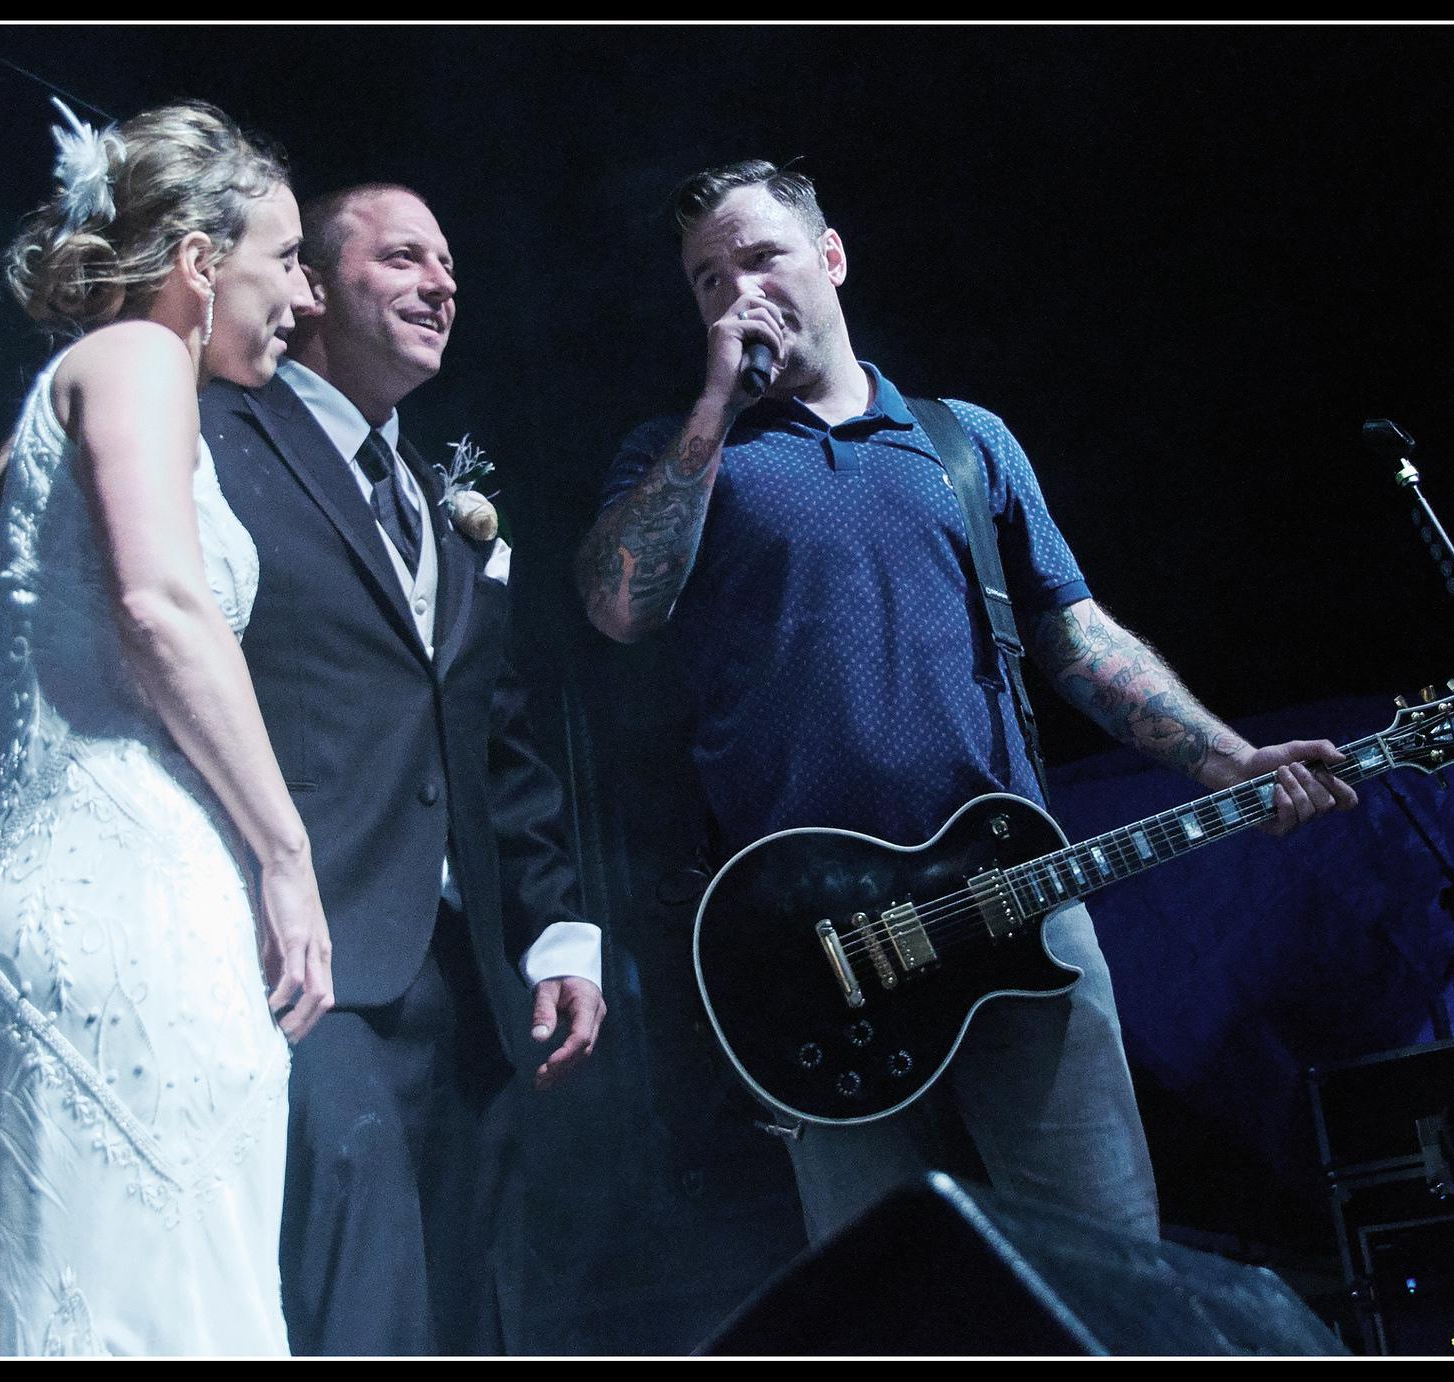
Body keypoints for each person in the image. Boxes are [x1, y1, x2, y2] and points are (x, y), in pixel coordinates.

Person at [576, 160, 1358, 1247]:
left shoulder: (960, 440)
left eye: (760, 258)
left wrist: (1226, 758)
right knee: (889, 1289)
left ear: (831, 258)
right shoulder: (688, 455)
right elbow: (619, 604)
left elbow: (1072, 633)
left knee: (1103, 1258)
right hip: (814, 945)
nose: (736, 292)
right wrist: (714, 400)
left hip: (1014, 894)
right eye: (707, 279)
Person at [0, 99, 330, 1356]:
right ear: (201, 264)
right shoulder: (139, 360)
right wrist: (282, 851)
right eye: (285, 261)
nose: (302, 299)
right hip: (134, 943)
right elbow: (159, 603)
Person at [200, 183, 606, 1355]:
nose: (444, 283)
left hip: (463, 974)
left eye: (450, 265)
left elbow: (494, 740)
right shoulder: (223, 438)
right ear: (312, 287)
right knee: (356, 1295)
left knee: (470, 1301)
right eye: (404, 258)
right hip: (302, 955)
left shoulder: (443, 497)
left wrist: (559, 926)